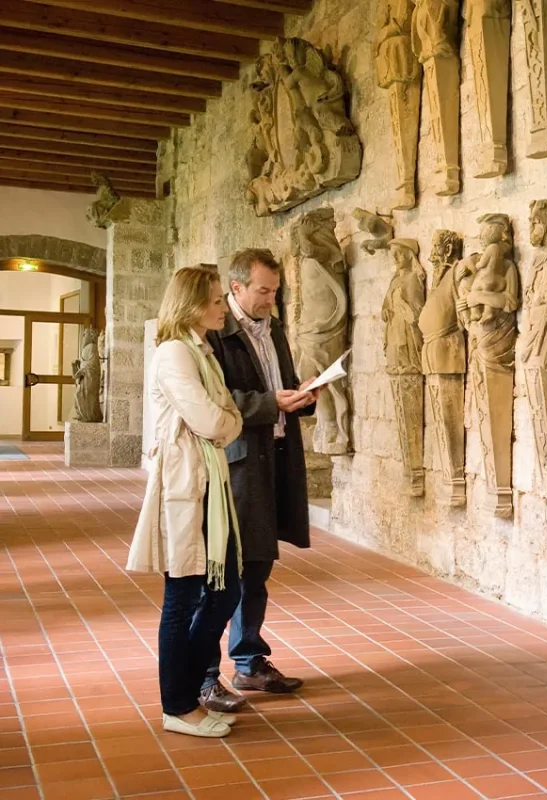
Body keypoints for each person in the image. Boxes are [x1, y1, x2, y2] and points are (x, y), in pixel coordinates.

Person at [200, 248, 319, 713]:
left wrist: (303, 395)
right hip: (238, 462)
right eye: (264, 290)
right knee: (224, 570)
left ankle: (249, 661)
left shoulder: (275, 330)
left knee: (259, 566)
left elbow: (280, 385)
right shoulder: (217, 334)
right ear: (236, 288)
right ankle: (206, 674)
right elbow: (220, 399)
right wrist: (273, 403)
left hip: (276, 456)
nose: (272, 298)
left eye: (275, 290)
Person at [127, 266, 243, 739]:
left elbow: (225, 416)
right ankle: (176, 705)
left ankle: (189, 689)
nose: (221, 306)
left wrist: (224, 420)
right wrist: (224, 421)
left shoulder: (201, 350)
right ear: (193, 304)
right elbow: (214, 421)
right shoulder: (174, 352)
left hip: (209, 484)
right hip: (187, 485)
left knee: (225, 590)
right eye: (216, 299)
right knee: (183, 597)